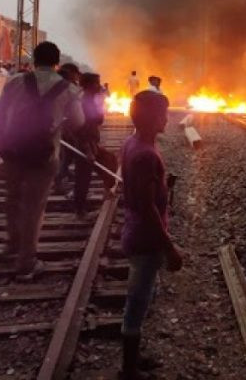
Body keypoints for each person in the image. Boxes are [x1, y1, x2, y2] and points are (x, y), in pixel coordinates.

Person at [0, 42, 84, 281]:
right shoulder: (68, 89)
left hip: (12, 150)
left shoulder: (15, 81)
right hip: (44, 154)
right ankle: (26, 261)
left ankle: (12, 244)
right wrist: (59, 123)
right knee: (34, 207)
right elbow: (78, 121)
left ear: (34, 60)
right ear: (57, 63)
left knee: (12, 198)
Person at [120, 91, 183, 379]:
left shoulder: (133, 142)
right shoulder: (146, 155)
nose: (166, 119)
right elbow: (147, 208)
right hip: (145, 239)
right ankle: (128, 369)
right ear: (152, 118)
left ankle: (135, 357)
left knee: (145, 294)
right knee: (137, 301)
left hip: (136, 232)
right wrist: (169, 248)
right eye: (163, 114)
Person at [72, 73, 105, 218]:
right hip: (85, 143)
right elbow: (82, 128)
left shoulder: (90, 100)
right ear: (89, 85)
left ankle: (81, 206)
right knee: (82, 177)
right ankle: (80, 210)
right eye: (97, 83)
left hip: (90, 142)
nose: (99, 86)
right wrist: (88, 150)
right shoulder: (86, 102)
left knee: (85, 176)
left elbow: (98, 120)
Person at [54, 63, 81, 194]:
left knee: (65, 154)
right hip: (63, 126)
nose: (76, 76)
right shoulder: (68, 88)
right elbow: (76, 115)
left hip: (57, 125)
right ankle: (58, 181)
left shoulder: (57, 85)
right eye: (75, 74)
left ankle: (63, 172)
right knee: (64, 155)